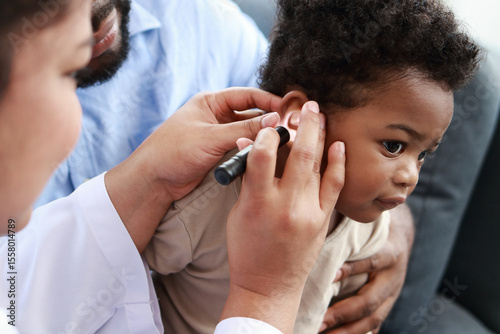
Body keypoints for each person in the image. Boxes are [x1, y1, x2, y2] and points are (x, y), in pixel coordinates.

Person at [31, 0, 415, 331]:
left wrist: (384, 209)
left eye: (421, 152)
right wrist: (264, 293)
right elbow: (22, 300)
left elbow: (340, 105)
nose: (96, 15)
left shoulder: (206, 23)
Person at [144, 0, 482, 333]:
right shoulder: (210, 200)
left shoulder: (365, 219)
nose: (411, 176)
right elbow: (128, 274)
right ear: (299, 118)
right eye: (394, 146)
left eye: (424, 155)